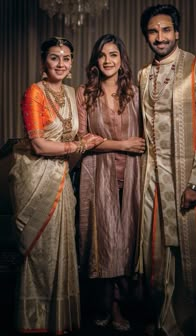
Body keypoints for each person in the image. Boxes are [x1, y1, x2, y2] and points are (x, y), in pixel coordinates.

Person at [136, 4, 196, 336]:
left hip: (189, 181)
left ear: (178, 32)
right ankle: (167, 324)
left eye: (166, 30)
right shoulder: (145, 75)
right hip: (155, 183)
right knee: (160, 258)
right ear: (147, 35)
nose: (160, 37)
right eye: (153, 31)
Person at [8, 36, 104, 335]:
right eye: (54, 57)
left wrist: (79, 147)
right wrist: (78, 145)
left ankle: (57, 319)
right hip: (35, 179)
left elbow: (71, 142)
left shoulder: (72, 96)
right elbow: (38, 145)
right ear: (43, 62)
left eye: (66, 58)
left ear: (72, 63)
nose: (61, 63)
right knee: (40, 251)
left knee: (62, 247)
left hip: (62, 177)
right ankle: (35, 321)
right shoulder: (34, 93)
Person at [76, 33, 145, 331]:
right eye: (102, 55)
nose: (108, 61)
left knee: (126, 244)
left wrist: (127, 146)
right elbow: (82, 140)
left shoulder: (135, 93)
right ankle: (103, 307)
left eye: (113, 54)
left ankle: (118, 307)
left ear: (121, 59)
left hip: (132, 177)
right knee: (102, 243)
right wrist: (122, 145)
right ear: (96, 60)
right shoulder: (84, 93)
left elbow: (144, 139)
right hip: (97, 177)